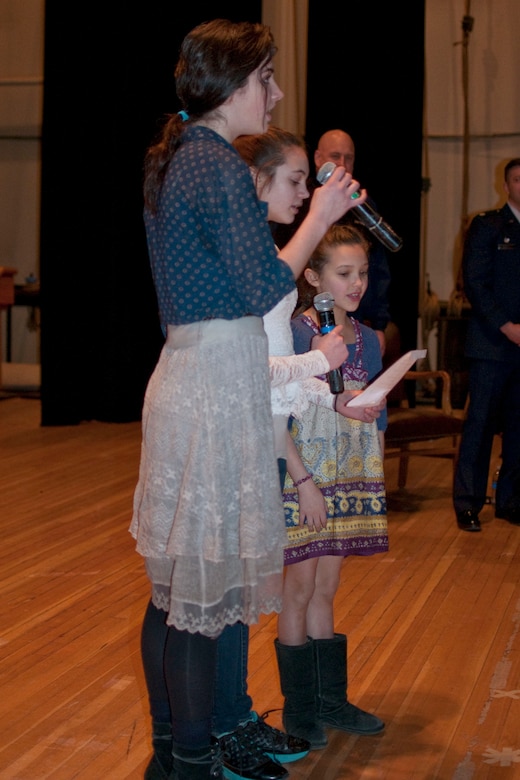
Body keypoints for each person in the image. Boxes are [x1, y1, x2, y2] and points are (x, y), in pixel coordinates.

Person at [129, 19, 367, 780]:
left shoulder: (182, 160)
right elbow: (265, 285)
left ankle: (175, 754)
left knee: (180, 595)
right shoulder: (214, 165)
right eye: (267, 78)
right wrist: (324, 218)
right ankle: (191, 761)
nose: (277, 92)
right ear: (233, 86)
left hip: (196, 379)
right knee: (199, 602)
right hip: (212, 392)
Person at [212, 127, 385, 780]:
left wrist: (346, 397)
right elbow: (258, 376)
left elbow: (291, 376)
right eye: (295, 181)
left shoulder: (273, 262)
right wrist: (304, 467)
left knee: (312, 590)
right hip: (278, 455)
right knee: (275, 591)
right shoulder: (267, 277)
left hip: (304, 453)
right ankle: (279, 715)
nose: (305, 190)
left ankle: (314, 702)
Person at [273, 223, 389, 749]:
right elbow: (280, 416)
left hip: (350, 475)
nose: (356, 282)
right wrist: (304, 484)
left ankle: (330, 700)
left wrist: (375, 474)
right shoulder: (299, 335)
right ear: (314, 276)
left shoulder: (370, 339)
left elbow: (375, 421)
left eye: (362, 272)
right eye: (344, 273)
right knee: (297, 590)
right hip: (306, 478)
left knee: (327, 588)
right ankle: (299, 711)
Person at [271, 129, 392, 356]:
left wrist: (378, 324)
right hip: (303, 308)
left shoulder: (362, 206)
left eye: (349, 158)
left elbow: (377, 269)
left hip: (351, 316)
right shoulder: (296, 207)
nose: (342, 164)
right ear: (318, 159)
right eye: (336, 157)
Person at [453, 157, 520, 533]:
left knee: (518, 428)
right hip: (492, 345)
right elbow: (474, 283)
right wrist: (507, 326)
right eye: (517, 179)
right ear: (506, 185)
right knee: (479, 428)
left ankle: (511, 500)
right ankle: (468, 504)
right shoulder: (488, 227)